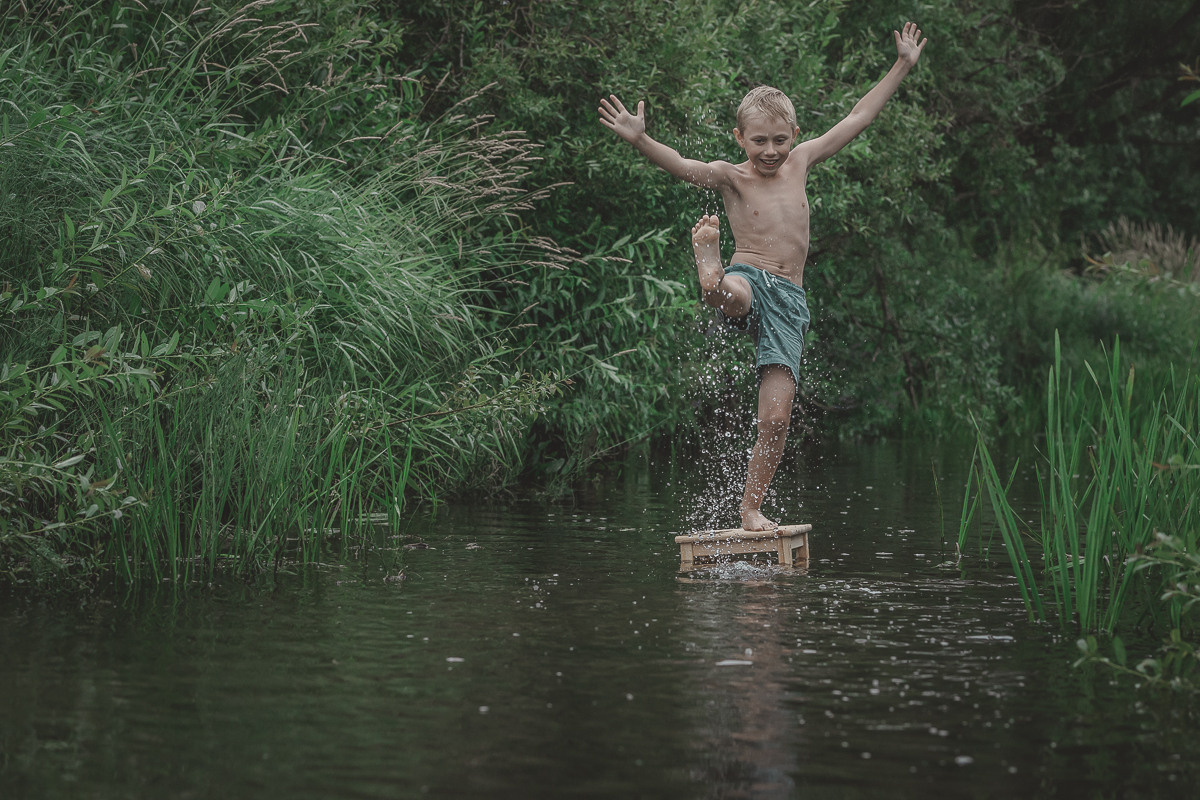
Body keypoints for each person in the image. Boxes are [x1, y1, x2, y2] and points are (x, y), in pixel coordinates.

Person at [599, 23, 927, 531]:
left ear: (794, 136)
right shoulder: (733, 177)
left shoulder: (802, 161)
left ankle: (750, 508)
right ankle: (713, 278)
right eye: (758, 141)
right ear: (739, 138)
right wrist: (643, 141)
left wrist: (902, 64)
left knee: (775, 420)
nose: (769, 151)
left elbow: (858, 116)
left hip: (791, 303)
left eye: (778, 140)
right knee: (735, 292)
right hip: (750, 275)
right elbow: (683, 165)